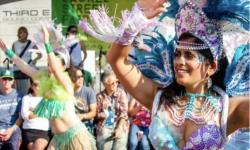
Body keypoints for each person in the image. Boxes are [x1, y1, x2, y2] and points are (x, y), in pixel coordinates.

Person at [79, 0, 249, 149]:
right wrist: (136, 20)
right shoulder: (159, 99)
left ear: (211, 67)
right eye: (177, 54)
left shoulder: (228, 108)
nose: (179, 61)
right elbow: (116, 60)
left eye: (189, 55)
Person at [0, 25, 94, 150]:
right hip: (58, 139)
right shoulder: (45, 80)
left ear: (64, 66)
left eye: (53, 64)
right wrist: (8, 51)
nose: (49, 67)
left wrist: (47, 43)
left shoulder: (65, 82)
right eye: (48, 64)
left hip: (74, 136)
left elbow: (55, 70)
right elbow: (25, 67)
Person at [96, 71, 129, 150]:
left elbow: (124, 114)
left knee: (119, 146)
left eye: (117, 82)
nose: (116, 84)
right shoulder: (99, 96)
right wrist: (101, 115)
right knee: (103, 145)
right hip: (104, 125)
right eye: (113, 83)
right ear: (105, 84)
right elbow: (96, 114)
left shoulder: (121, 93)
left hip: (120, 123)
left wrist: (119, 128)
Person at [20, 79, 51, 150]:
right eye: (36, 85)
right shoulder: (26, 98)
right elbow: (25, 115)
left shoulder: (47, 98)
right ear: (31, 86)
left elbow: (48, 113)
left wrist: (33, 110)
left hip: (43, 130)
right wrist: (41, 110)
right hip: (28, 130)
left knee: (37, 148)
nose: (39, 87)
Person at [12, 26, 42, 95]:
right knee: (18, 90)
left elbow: (40, 54)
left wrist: (35, 59)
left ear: (27, 33)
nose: (23, 34)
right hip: (18, 69)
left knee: (31, 89)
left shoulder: (31, 44)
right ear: (18, 34)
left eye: (24, 32)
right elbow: (12, 56)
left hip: (29, 67)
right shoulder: (15, 44)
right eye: (21, 32)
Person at [67, 66, 97, 135]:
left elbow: (93, 113)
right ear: (71, 78)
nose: (81, 79)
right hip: (70, 124)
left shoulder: (89, 92)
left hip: (85, 124)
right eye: (78, 77)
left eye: (82, 76)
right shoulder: (66, 92)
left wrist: (82, 116)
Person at [0, 69, 23, 150]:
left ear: (13, 81)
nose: (7, 81)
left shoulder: (19, 95)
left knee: (13, 146)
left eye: (9, 79)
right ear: (0, 80)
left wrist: (11, 130)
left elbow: (20, 118)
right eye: (4, 78)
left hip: (14, 127)